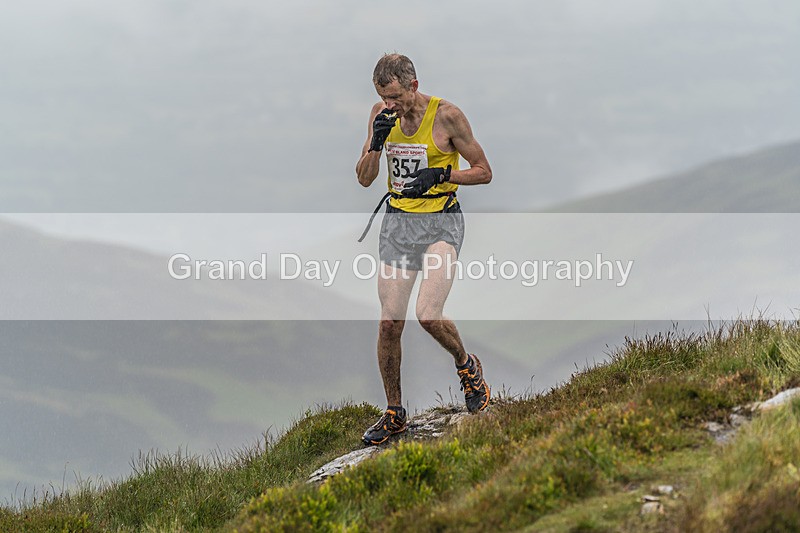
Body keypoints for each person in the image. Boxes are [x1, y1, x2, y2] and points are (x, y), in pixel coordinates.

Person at [355, 53, 493, 445]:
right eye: (383, 97)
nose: (390, 105)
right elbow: (364, 179)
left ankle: (467, 366)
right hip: (398, 224)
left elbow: (484, 171)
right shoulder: (380, 116)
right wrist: (376, 144)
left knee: (428, 315)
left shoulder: (448, 116)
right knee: (389, 323)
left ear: (413, 86)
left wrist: (442, 174)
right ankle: (394, 413)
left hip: (440, 222)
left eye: (396, 97)